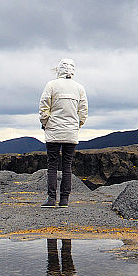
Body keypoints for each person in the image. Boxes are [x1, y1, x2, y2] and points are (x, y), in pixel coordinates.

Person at [38, 58, 88, 208]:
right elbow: (83, 112)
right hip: (71, 133)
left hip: (53, 131)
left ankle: (51, 199)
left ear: (59, 69)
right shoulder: (79, 88)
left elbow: (44, 106)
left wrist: (45, 123)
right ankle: (64, 200)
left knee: (52, 165)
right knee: (67, 165)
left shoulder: (51, 85)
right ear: (72, 70)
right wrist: (76, 126)